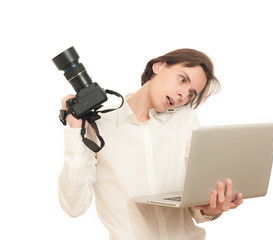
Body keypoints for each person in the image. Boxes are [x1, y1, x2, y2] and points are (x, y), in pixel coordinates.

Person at [59, 48, 244, 240]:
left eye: (190, 94)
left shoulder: (185, 120)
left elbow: (195, 206)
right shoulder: (99, 125)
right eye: (182, 79)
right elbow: (74, 206)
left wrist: (211, 208)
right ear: (158, 66)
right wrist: (75, 132)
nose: (182, 94)